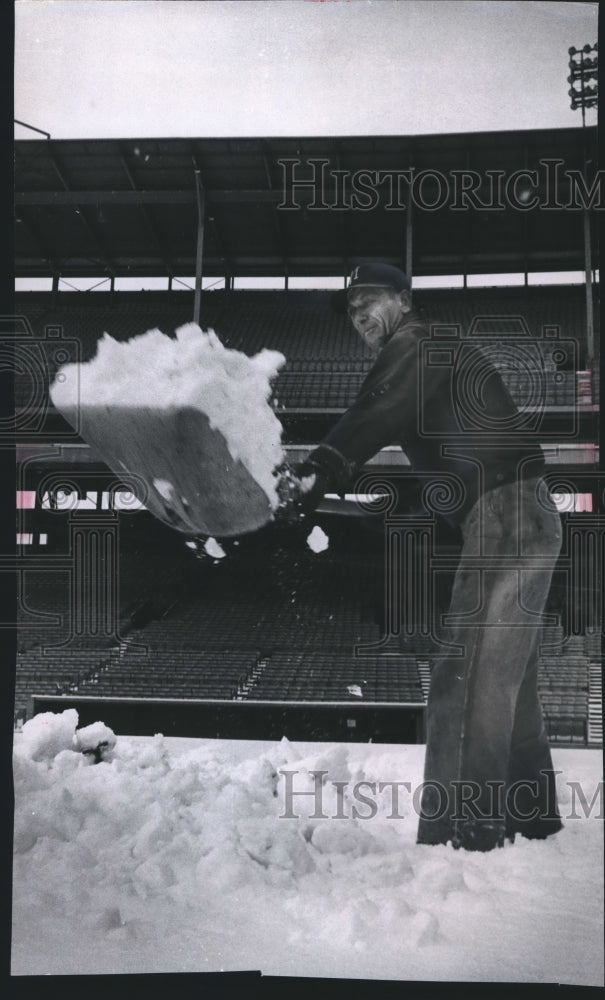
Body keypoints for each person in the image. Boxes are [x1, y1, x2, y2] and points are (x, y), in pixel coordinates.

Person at [283, 262, 563, 852]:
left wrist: (320, 470)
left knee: (461, 678)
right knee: (509, 681)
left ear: (405, 300)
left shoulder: (419, 342)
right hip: (526, 514)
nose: (359, 312)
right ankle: (532, 820)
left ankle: (460, 833)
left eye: (370, 299)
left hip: (506, 513)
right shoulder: (430, 352)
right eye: (352, 306)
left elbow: (379, 407)